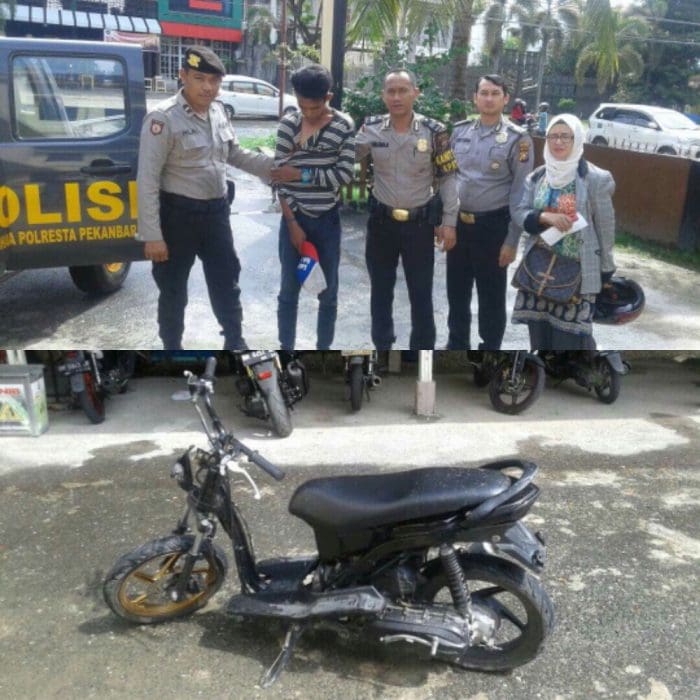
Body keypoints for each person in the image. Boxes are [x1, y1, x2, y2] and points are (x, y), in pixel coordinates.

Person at [136, 46, 282, 350]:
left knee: (227, 281)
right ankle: (172, 347)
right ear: (183, 76)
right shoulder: (162, 118)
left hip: (216, 215)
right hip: (177, 218)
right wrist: (152, 235)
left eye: (214, 81)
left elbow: (235, 154)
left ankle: (235, 340)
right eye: (199, 78)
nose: (207, 87)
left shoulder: (218, 111)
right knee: (173, 289)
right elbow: (147, 179)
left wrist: (276, 169)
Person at [355, 68, 459, 350]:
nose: (397, 97)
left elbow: (448, 176)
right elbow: (347, 155)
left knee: (421, 293)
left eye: (403, 90)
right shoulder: (371, 128)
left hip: (419, 226)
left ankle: (421, 354)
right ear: (383, 95)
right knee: (380, 291)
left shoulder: (434, 131)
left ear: (415, 93)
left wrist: (449, 221)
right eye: (391, 91)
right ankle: (382, 348)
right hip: (381, 224)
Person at [511, 114, 616, 350]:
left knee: (571, 341)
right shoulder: (537, 176)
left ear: (577, 139)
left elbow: (606, 228)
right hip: (539, 268)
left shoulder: (595, 179)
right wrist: (543, 217)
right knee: (539, 338)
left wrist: (606, 271)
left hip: (577, 273)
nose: (558, 142)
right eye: (553, 136)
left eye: (565, 137)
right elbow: (519, 211)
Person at [272, 63, 356, 350]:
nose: (307, 113)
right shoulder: (288, 124)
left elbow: (344, 175)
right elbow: (279, 177)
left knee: (328, 293)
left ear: (328, 97)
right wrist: (292, 224)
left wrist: (300, 174)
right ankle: (286, 350)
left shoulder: (343, 126)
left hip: (327, 221)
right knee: (288, 291)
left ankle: (323, 351)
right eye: (302, 106)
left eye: (315, 107)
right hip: (292, 219)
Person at [447, 74, 533, 349]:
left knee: (491, 296)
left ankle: (490, 350)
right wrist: (445, 222)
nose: (488, 98)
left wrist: (512, 240)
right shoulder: (459, 132)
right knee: (456, 292)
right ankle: (457, 344)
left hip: (493, 228)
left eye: (495, 93)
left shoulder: (518, 139)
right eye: (483, 93)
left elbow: (521, 193)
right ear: (475, 97)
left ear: (505, 98)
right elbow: (448, 178)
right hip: (459, 225)